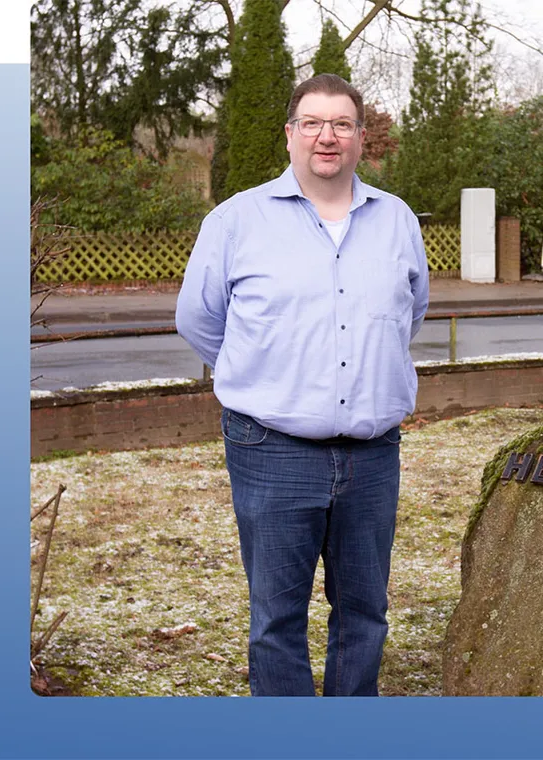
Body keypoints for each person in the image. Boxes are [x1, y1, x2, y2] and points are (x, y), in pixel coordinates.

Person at [176, 74, 430, 696]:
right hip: (272, 450)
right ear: (290, 134)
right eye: (312, 123)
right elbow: (199, 320)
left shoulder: (396, 220)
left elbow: (409, 314)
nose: (327, 137)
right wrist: (266, 375)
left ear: (361, 138)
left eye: (341, 124)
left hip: (372, 455)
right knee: (277, 620)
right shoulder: (236, 221)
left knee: (365, 615)